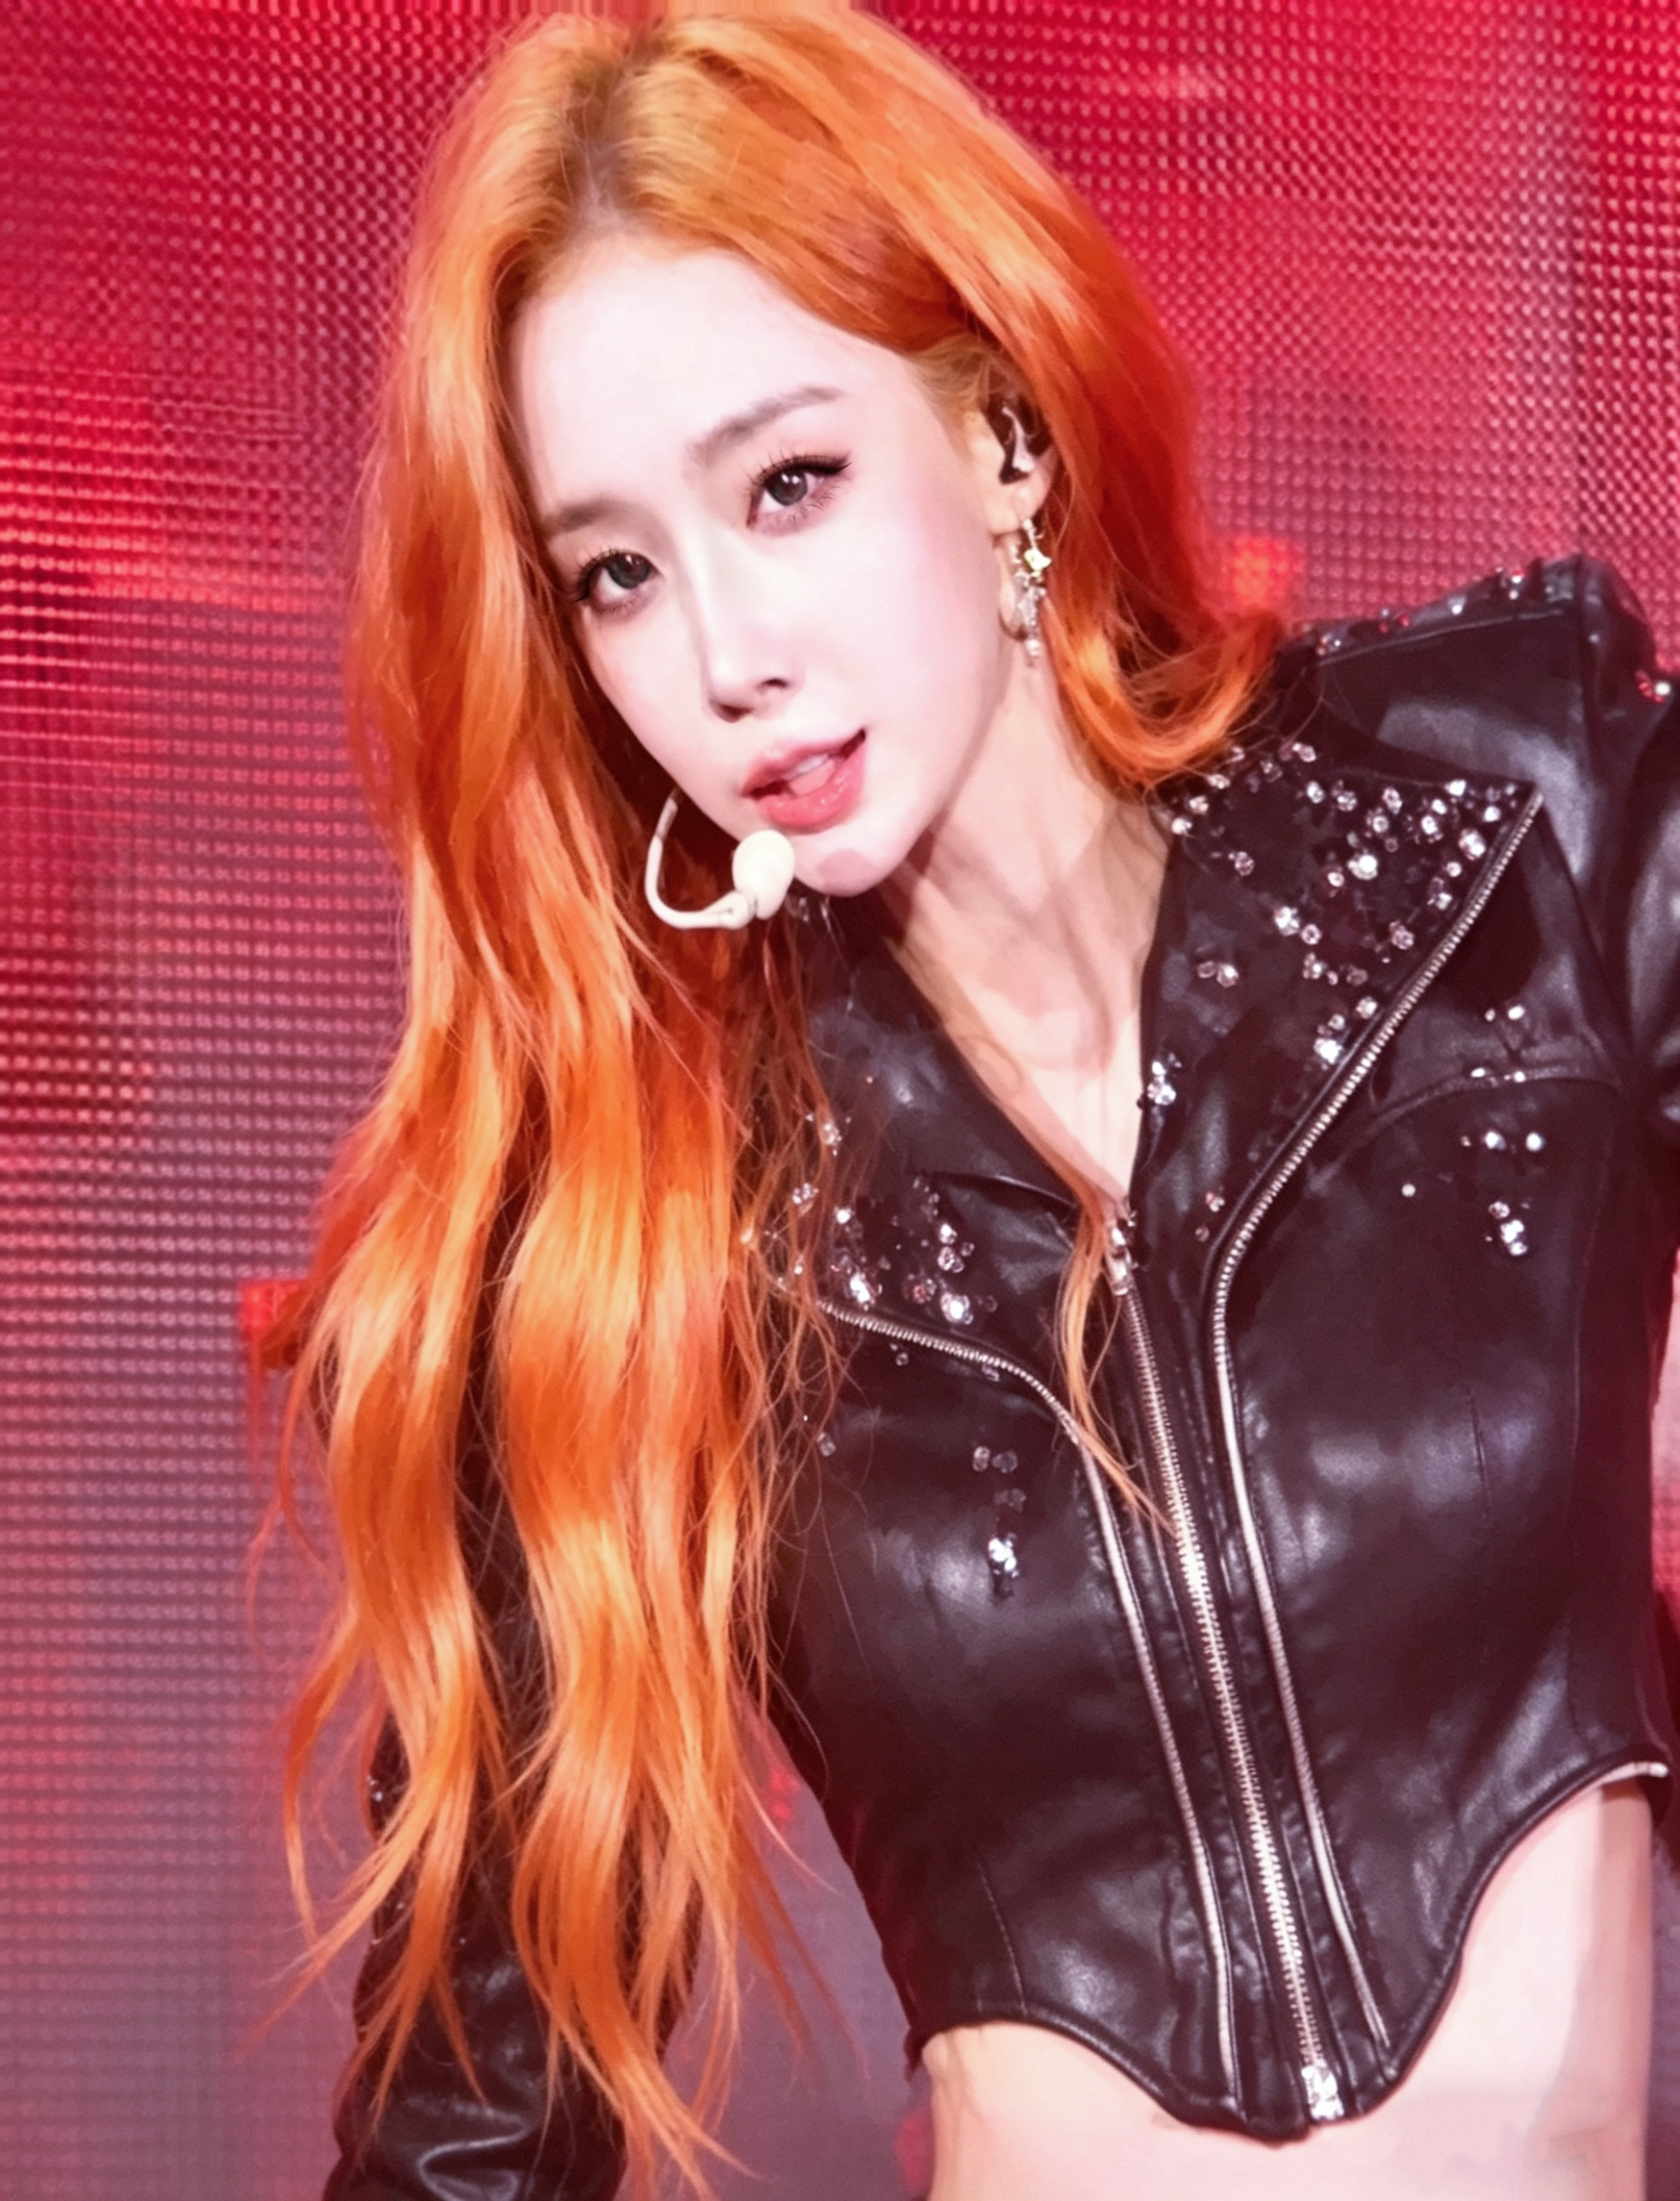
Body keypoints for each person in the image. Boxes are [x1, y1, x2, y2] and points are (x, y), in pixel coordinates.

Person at [284, 6, 1680, 2196]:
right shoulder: (639, 1218)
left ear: (1004, 430)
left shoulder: (1517, 825)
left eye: (788, 484)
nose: (723, 651)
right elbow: (471, 2115)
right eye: (617, 570)